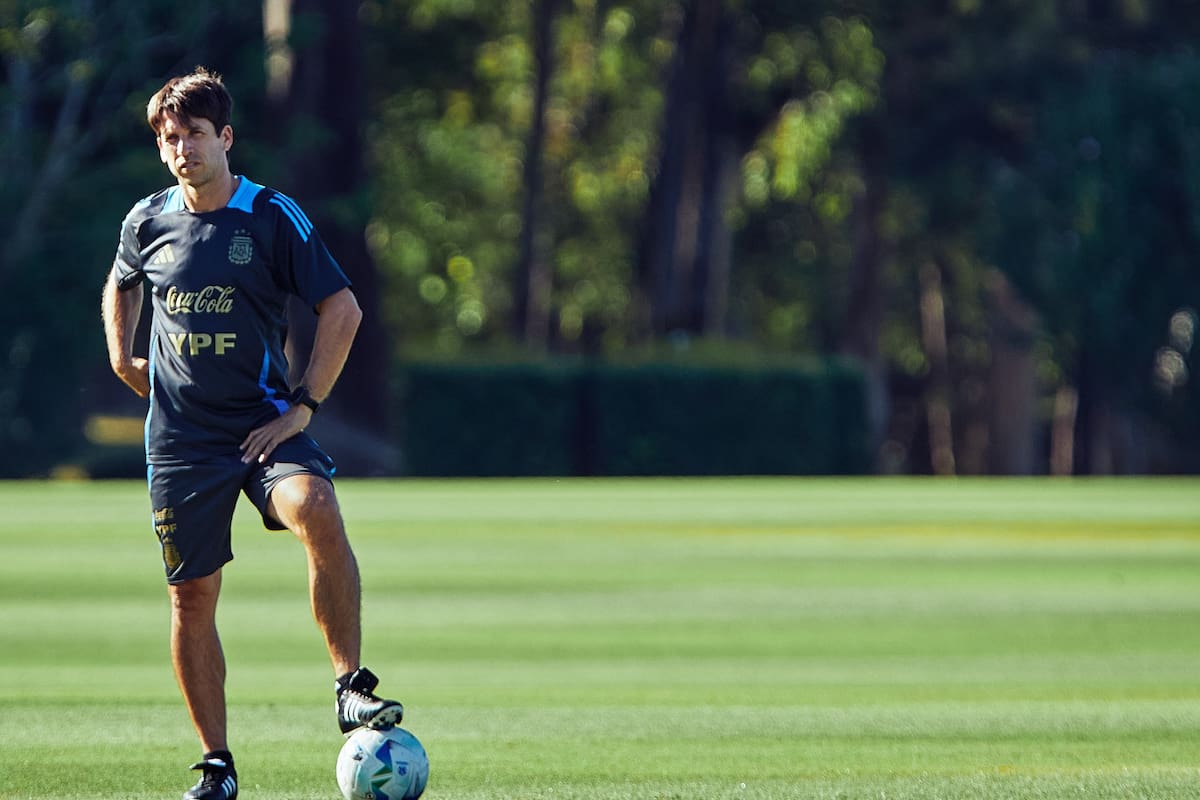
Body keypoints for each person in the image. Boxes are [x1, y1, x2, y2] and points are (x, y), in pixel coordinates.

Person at [100, 67, 403, 800]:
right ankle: (217, 766)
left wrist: (304, 406)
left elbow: (342, 308)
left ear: (226, 137)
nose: (183, 149)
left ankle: (350, 686)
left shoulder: (270, 215)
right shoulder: (146, 219)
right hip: (180, 441)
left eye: (196, 134)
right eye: (171, 138)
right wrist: (121, 356)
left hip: (263, 424)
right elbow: (121, 282)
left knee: (317, 506)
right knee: (191, 598)